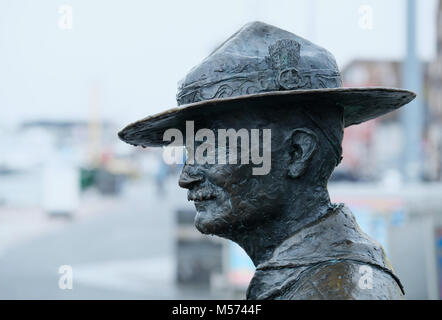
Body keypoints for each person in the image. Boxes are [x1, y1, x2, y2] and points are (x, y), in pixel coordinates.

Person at [119, 21, 415, 299]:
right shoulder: (305, 278)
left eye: (211, 149)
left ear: (297, 153)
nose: (187, 176)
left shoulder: (344, 290)